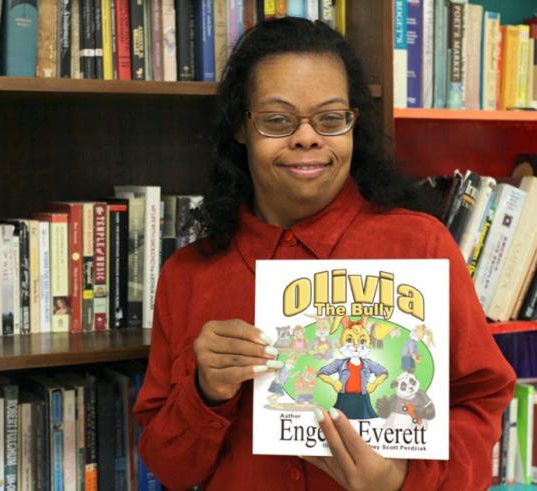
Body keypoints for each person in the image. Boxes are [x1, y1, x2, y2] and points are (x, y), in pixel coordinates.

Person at [134, 17, 516, 491]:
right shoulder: (189, 275)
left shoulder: (421, 246)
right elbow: (167, 466)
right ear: (241, 126)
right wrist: (205, 393)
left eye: (331, 119)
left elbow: (480, 407)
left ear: (355, 123)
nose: (307, 137)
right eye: (278, 120)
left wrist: (402, 481)